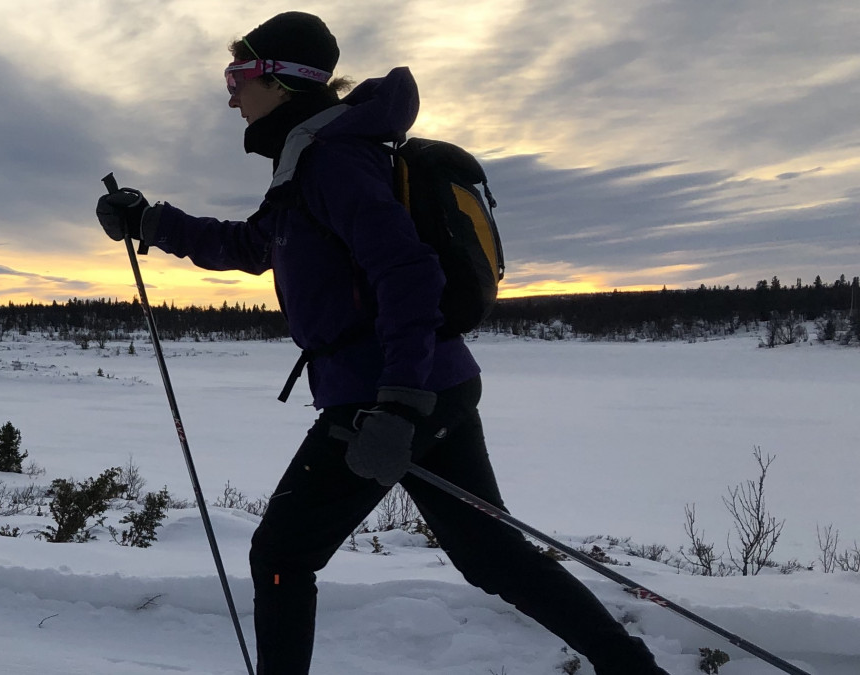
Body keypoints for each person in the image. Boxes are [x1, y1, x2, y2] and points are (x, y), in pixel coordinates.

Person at [94, 11, 669, 675]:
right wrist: (150, 221)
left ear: (281, 82)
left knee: (281, 554)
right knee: (492, 555)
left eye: (239, 75)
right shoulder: (310, 157)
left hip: (382, 392)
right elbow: (254, 246)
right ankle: (632, 668)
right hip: (433, 381)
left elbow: (408, 271)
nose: (230, 93)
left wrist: (396, 405)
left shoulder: (334, 159)